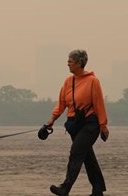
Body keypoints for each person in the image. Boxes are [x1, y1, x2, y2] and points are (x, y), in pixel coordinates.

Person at [45, 49, 109, 196]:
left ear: (80, 63)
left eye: (70, 62)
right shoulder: (69, 81)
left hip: (90, 123)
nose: (67, 64)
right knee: (87, 157)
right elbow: (61, 103)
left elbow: (99, 103)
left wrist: (103, 125)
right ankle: (98, 189)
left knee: (76, 152)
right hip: (74, 124)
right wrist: (52, 120)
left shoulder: (92, 81)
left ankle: (65, 188)